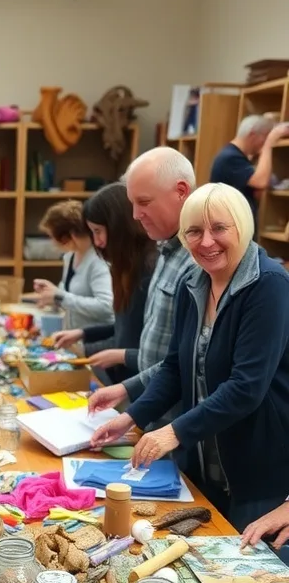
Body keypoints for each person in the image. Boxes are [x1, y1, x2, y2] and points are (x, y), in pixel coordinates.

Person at [91, 183, 289, 534]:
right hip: (203, 461)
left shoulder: (270, 285)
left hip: (258, 471)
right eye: (194, 231)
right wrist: (133, 415)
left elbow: (246, 387)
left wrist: (174, 432)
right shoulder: (193, 282)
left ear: (242, 227)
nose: (206, 241)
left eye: (219, 228)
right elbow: (175, 366)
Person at [87, 147, 196, 418]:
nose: (135, 215)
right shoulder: (166, 252)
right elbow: (162, 355)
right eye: (132, 204)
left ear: (181, 191)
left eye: (144, 202)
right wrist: (128, 394)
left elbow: (190, 362)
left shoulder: (197, 261)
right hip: (151, 406)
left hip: (172, 418)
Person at [51, 183, 157, 384]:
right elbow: (122, 328)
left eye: (99, 231)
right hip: (123, 381)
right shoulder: (124, 268)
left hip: (140, 386)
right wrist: (83, 333)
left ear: (119, 225)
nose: (97, 242)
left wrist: (119, 355)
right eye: (93, 233)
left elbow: (157, 353)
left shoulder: (149, 272)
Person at [30, 200, 114, 331]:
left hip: (95, 339)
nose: (52, 243)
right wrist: (51, 293)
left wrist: (59, 296)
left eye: (53, 237)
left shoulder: (98, 262)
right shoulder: (70, 256)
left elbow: (106, 306)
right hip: (74, 337)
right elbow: (70, 296)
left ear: (70, 235)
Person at [210, 116, 289, 231]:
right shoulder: (230, 157)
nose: (263, 143)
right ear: (252, 134)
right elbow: (261, 182)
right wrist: (269, 143)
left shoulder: (237, 156)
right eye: (264, 138)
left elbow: (257, 192)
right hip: (230, 228)